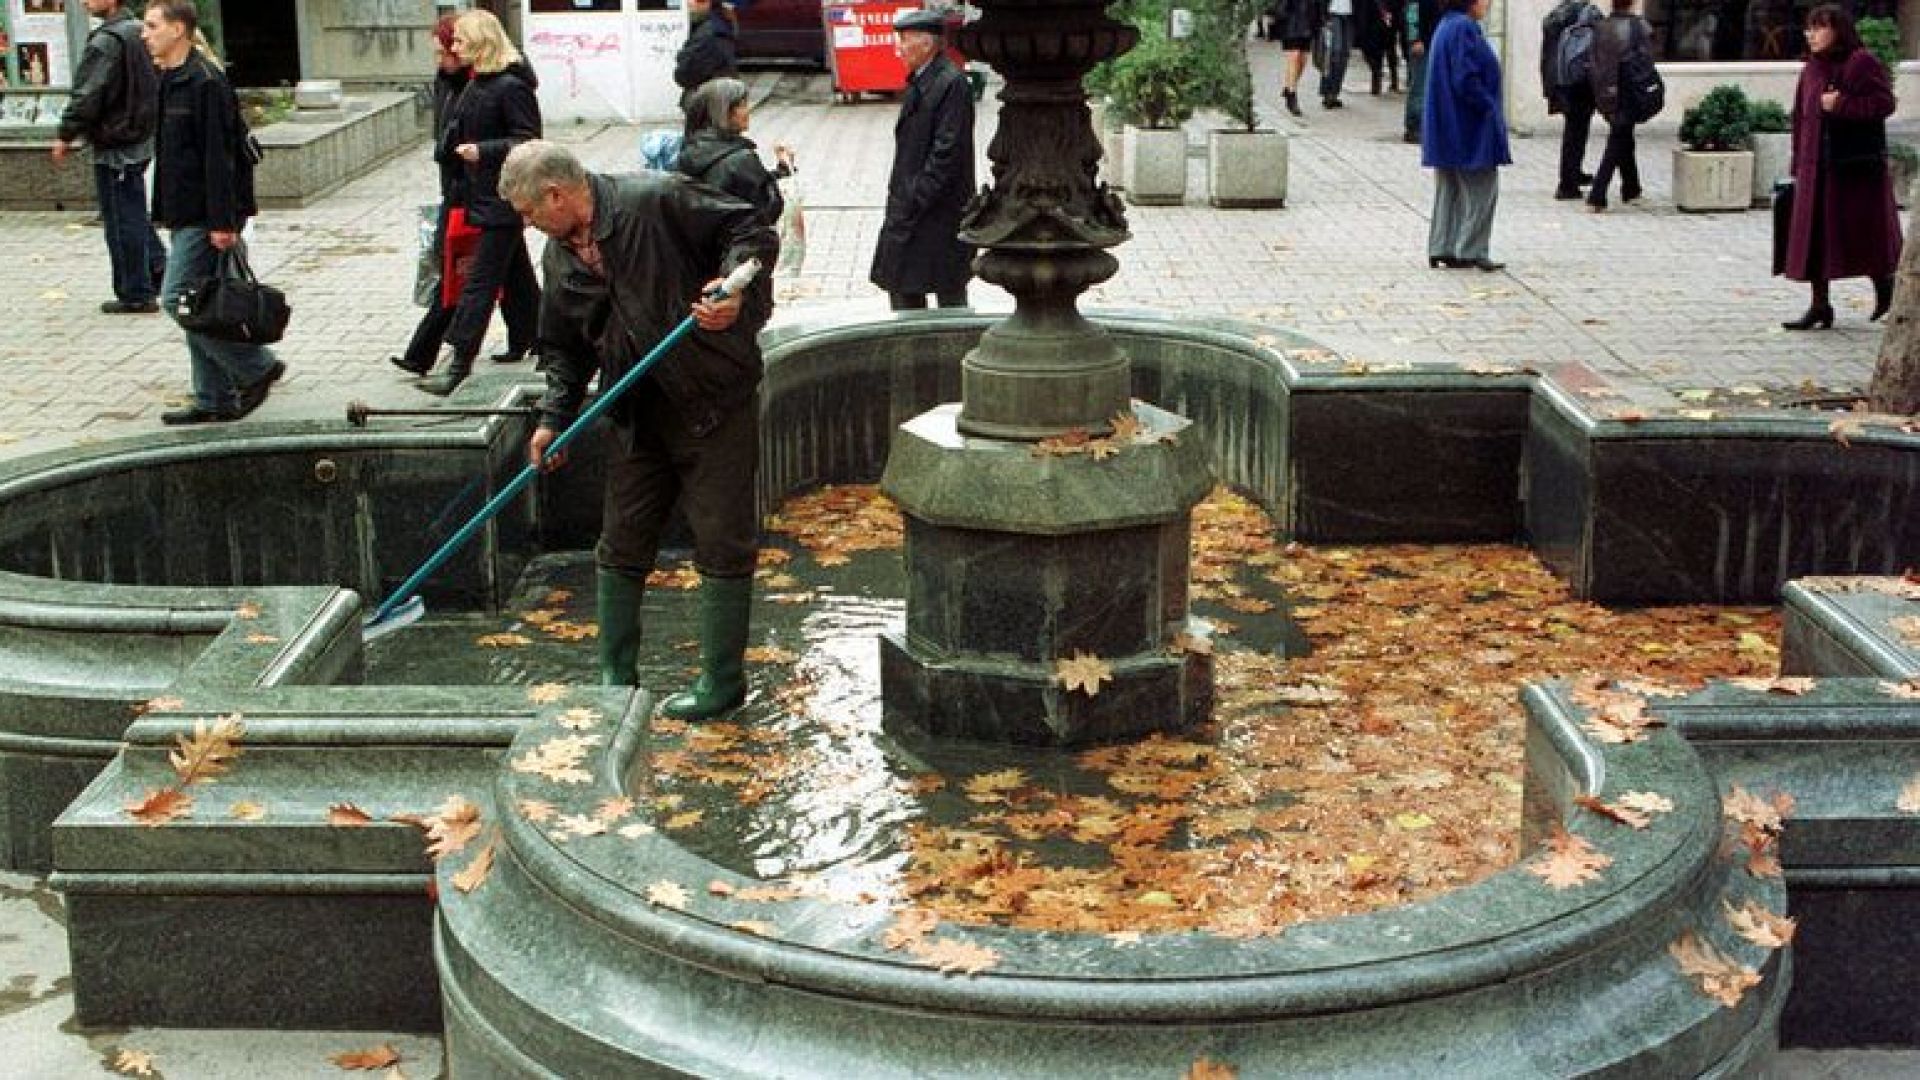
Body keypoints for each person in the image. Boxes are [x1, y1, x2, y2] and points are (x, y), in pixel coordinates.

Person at [502, 140, 777, 716]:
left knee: (722, 542)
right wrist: (555, 418)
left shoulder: (656, 199)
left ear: (556, 195)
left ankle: (721, 685)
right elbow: (564, 350)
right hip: (634, 414)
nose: (528, 225)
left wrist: (733, 290)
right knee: (621, 541)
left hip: (711, 402)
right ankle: (615, 679)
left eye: (529, 212)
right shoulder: (559, 256)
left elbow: (751, 227)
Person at [142, 0, 283, 425]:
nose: (144, 34)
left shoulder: (205, 82)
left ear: (179, 29)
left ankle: (257, 366)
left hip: (206, 216)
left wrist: (224, 221)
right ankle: (213, 398)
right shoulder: (170, 78)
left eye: (151, 25)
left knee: (177, 298)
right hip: (185, 210)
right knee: (199, 302)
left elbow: (221, 159)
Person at [419, 9, 541, 395]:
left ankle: (458, 364)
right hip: (480, 194)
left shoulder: (509, 86)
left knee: (479, 283)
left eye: (459, 40)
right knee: (517, 278)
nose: (453, 47)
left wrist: (482, 151)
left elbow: (528, 140)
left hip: (502, 197)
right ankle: (546, 340)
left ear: (479, 41)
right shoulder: (477, 84)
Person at [1780, 3, 1901, 330]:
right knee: (1814, 238)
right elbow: (1799, 116)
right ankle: (1820, 305)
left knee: (1864, 232)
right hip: (1815, 167)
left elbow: (1884, 103)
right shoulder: (1812, 68)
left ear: (1839, 31)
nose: (1811, 35)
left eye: (1819, 28)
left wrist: (1842, 104)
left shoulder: (1861, 61)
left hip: (1853, 169)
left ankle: (1885, 288)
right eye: (1809, 28)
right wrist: (1798, 160)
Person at [54, 0, 167, 315]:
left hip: (117, 141)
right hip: (139, 135)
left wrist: (66, 133)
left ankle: (135, 292)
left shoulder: (108, 41)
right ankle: (159, 270)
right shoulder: (138, 32)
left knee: (121, 218)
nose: (84, 1)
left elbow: (89, 92)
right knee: (131, 210)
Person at [869, 9, 975, 311]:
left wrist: (917, 195)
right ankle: (911, 355)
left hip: (935, 207)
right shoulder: (922, 79)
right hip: (911, 204)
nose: (898, 48)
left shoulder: (951, 83)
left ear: (927, 44)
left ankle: (951, 353)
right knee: (901, 284)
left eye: (904, 40)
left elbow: (948, 150)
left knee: (947, 289)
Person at [1421, 0, 1510, 271]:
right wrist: (1488, 105)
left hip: (1447, 124)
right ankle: (1470, 249)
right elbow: (1466, 77)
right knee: (1481, 188)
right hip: (1466, 125)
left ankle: (1443, 245)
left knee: (1449, 188)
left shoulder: (1446, 25)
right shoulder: (1464, 28)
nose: (1488, 3)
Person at [1585, 0, 1650, 212]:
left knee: (1624, 137)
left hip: (1606, 91)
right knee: (1617, 140)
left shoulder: (1600, 27)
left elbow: (1593, 62)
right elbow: (1645, 61)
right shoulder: (1638, 27)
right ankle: (1597, 195)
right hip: (1628, 92)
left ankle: (1631, 188)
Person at [1541, 0, 1600, 199]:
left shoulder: (1555, 15)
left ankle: (1573, 173)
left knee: (1573, 130)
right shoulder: (1586, 13)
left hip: (1560, 79)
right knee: (1576, 133)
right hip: (1580, 82)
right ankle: (1567, 183)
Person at [673, 0, 739, 112]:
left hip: (710, 103)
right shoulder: (719, 25)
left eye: (698, 0)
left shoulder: (710, 33)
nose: (690, 3)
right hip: (720, 99)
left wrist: (682, 58)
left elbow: (685, 73)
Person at [1272, 0, 1325, 117]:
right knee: (1294, 56)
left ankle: (1288, 86)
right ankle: (1292, 94)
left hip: (1309, 22)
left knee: (1303, 60)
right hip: (1291, 21)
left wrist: (1320, 19)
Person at [1401, 0, 1440, 142]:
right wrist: (1415, 39)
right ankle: (1414, 126)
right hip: (1423, 42)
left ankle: (1422, 125)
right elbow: (1412, 10)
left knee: (1424, 84)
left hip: (1432, 39)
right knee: (1419, 84)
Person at [1359, 0, 1403, 96]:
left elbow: (1398, 6)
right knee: (1376, 56)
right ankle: (1376, 85)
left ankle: (1393, 83)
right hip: (1374, 26)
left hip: (1390, 25)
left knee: (1391, 54)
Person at [1318, 0, 1354, 108]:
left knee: (1344, 55)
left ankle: (1334, 93)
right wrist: (1324, 17)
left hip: (1349, 16)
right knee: (1333, 54)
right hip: (1332, 14)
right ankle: (1327, 92)